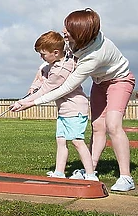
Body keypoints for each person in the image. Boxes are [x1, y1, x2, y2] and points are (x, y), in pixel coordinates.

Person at [11, 8, 136, 192]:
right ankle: (90, 169)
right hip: (99, 82)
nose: (64, 32)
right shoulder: (74, 42)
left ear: (81, 34)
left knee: (113, 124)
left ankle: (126, 177)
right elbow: (55, 57)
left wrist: (32, 102)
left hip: (120, 80)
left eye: (68, 30)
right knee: (97, 126)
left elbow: (66, 87)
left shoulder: (93, 56)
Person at [11, 31, 97, 181]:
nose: (41, 57)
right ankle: (59, 172)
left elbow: (45, 90)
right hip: (64, 109)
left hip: (75, 108)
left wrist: (22, 103)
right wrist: (34, 85)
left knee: (77, 141)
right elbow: (43, 71)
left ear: (56, 53)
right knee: (61, 140)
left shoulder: (61, 70)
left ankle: (90, 175)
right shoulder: (54, 63)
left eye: (43, 54)